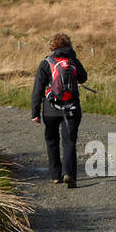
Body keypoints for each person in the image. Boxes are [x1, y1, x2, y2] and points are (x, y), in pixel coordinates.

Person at [31, 32, 88, 187]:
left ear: (52, 46)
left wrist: (35, 113)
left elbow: (38, 90)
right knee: (69, 141)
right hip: (72, 108)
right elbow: (83, 78)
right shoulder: (73, 60)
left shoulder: (46, 62)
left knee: (52, 141)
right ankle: (69, 174)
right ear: (68, 45)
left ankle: (55, 175)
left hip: (51, 110)